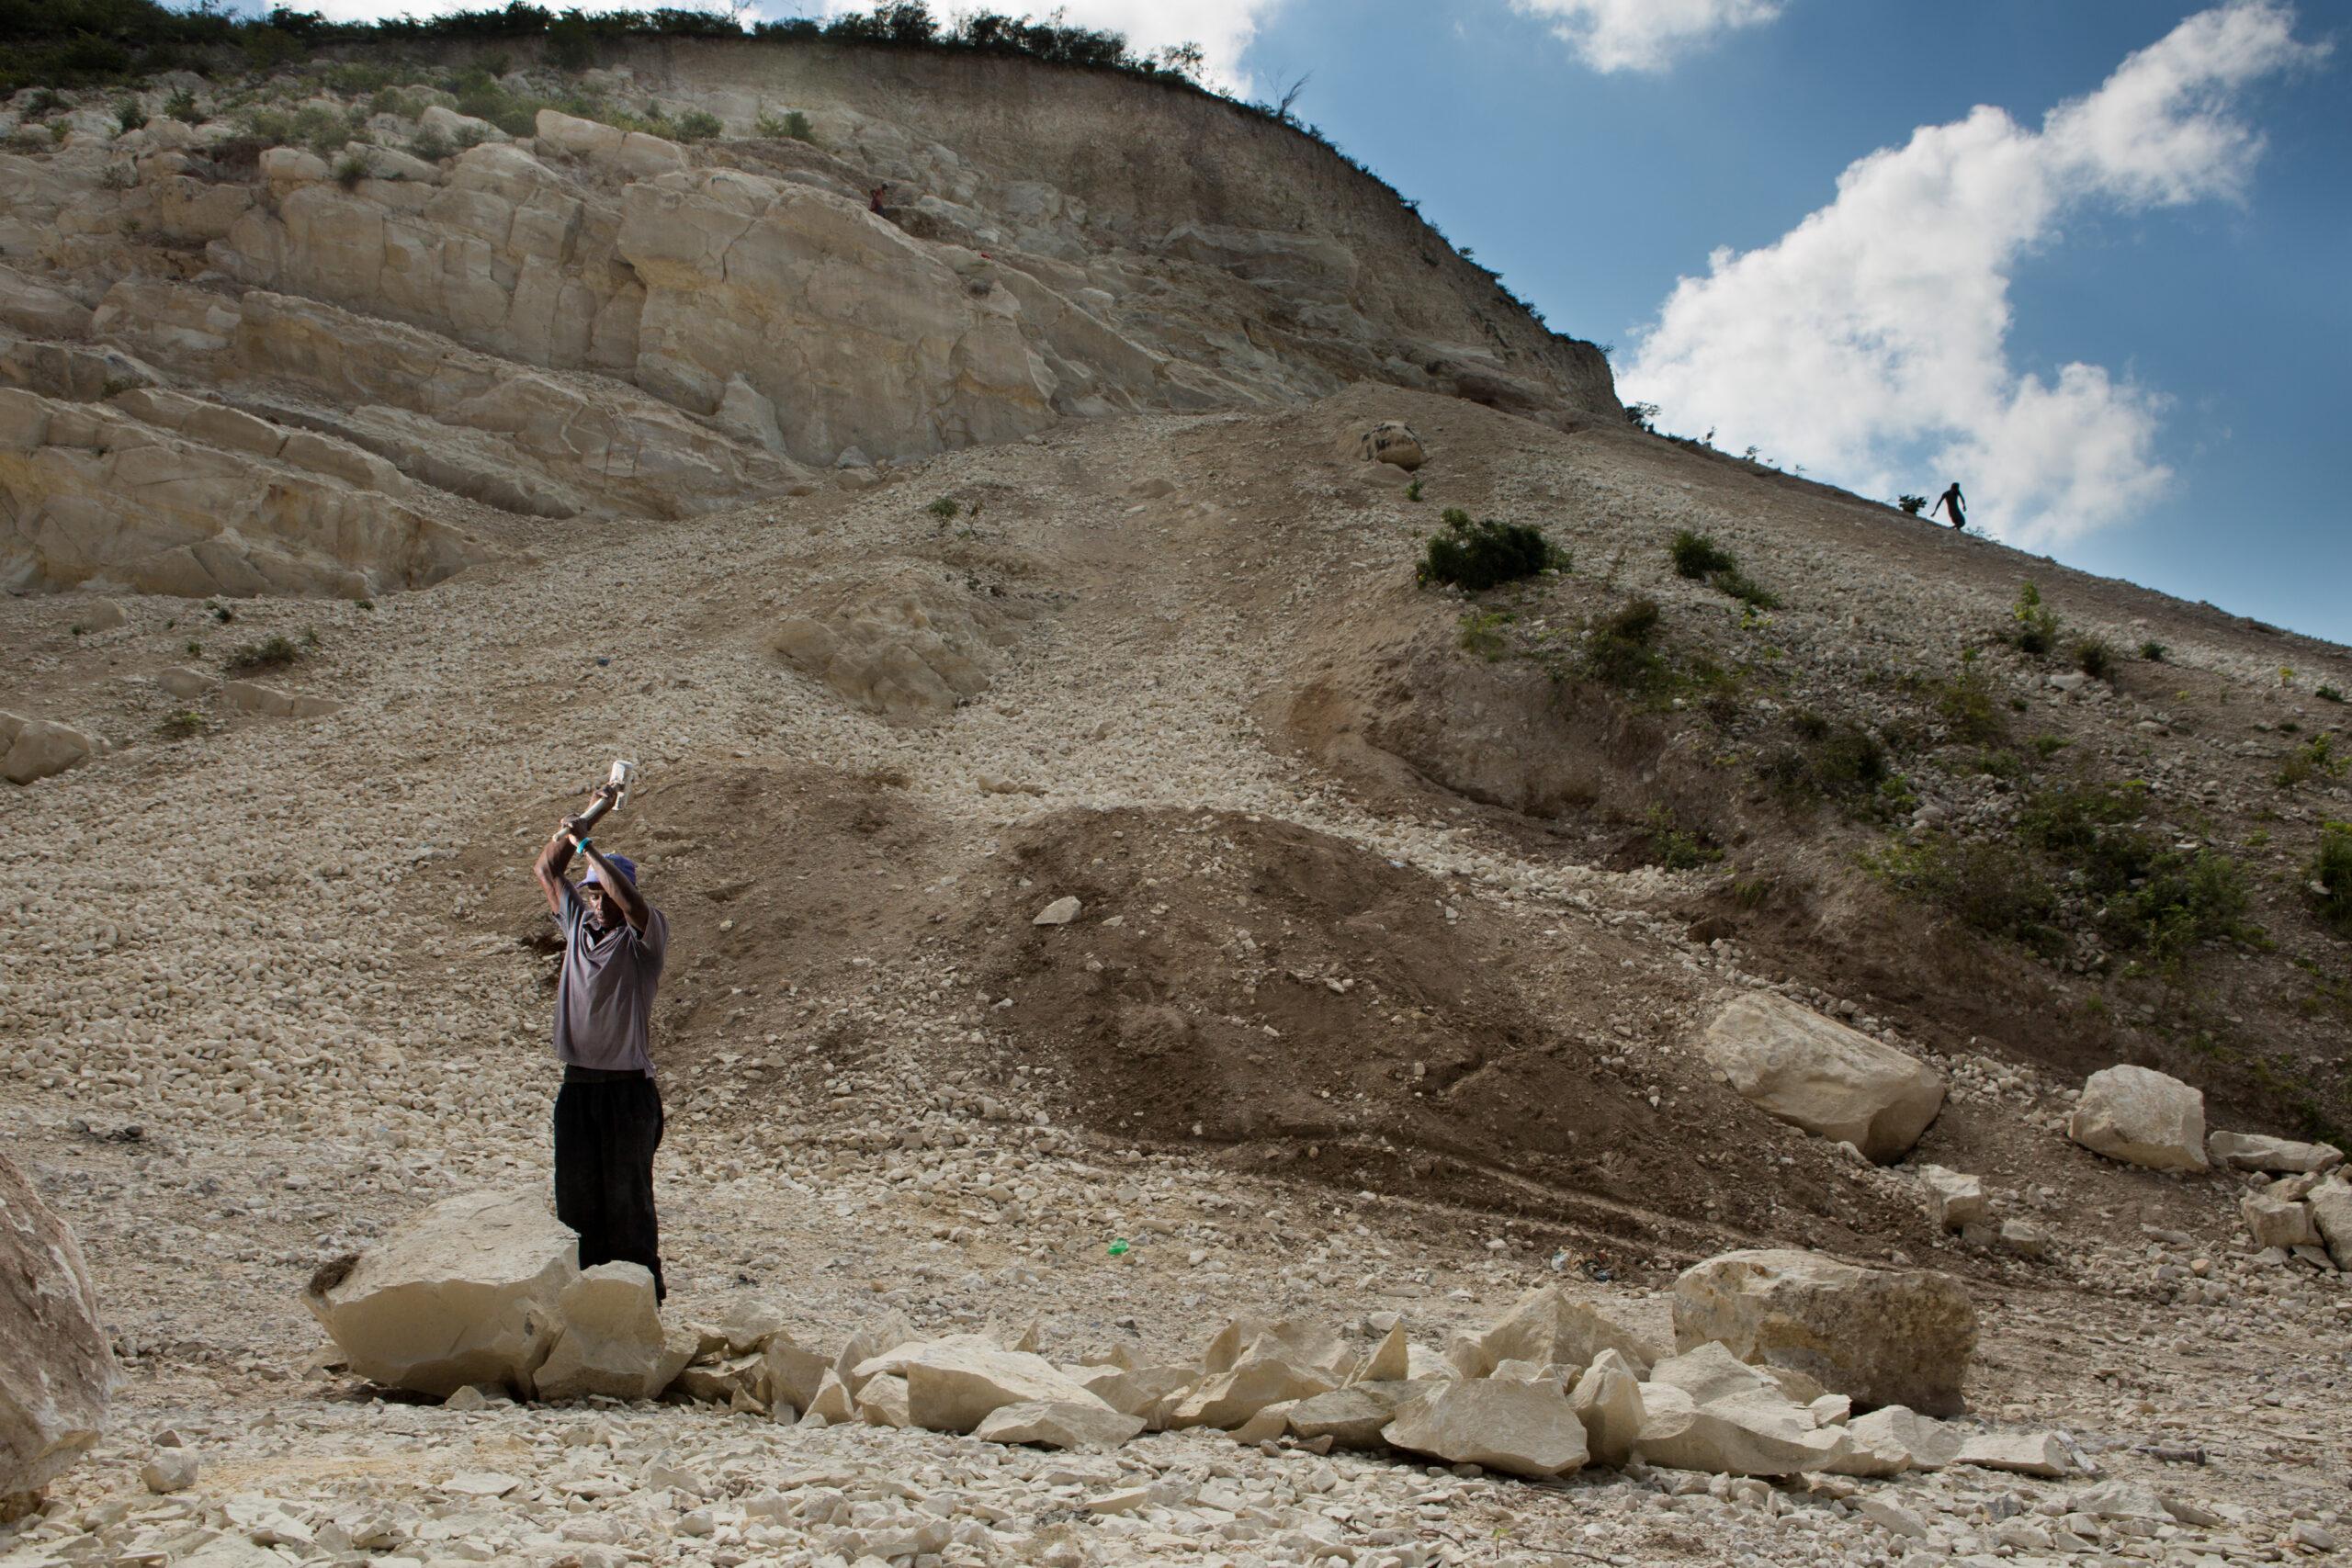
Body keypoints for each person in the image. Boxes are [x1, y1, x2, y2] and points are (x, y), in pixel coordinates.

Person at [532, 785, 673, 1297]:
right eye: (590, 894)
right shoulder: (576, 927)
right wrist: (594, 814)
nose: (595, 902)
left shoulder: (645, 940)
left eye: (602, 894)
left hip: (627, 1095)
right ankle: (586, 1312)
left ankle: (639, 1309)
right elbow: (547, 872)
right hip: (579, 1091)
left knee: (628, 1205)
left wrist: (590, 848)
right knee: (577, 1205)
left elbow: (632, 903)